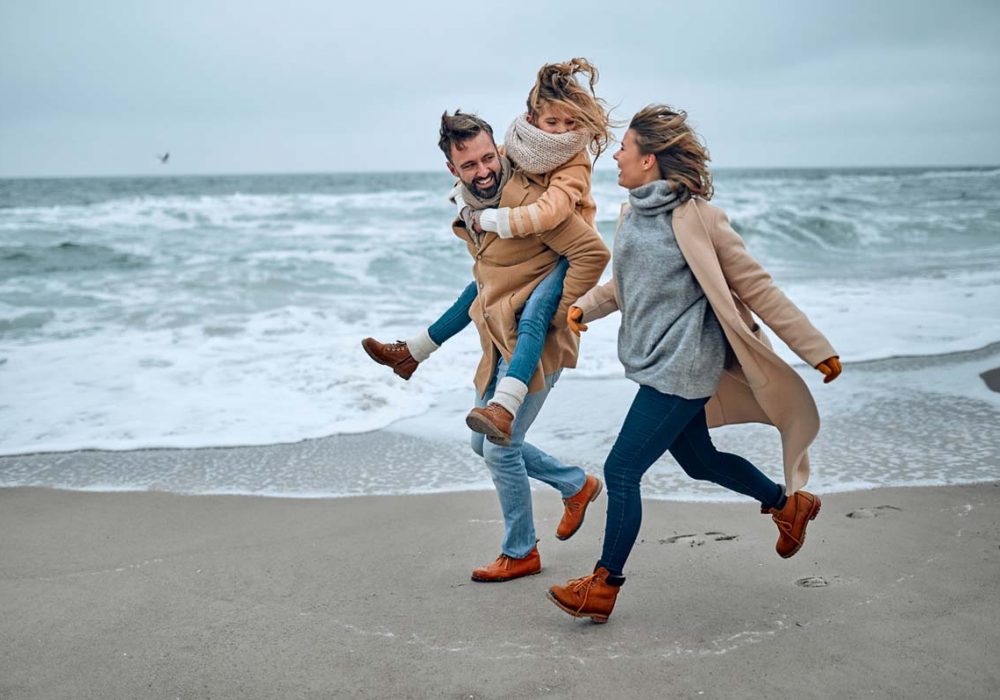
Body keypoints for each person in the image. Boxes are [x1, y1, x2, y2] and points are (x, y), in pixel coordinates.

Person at [547, 105, 843, 623]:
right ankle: (787, 505)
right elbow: (630, 283)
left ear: (650, 159)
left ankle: (603, 585)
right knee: (699, 461)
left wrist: (814, 347)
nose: (615, 155)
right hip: (653, 358)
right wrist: (585, 306)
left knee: (621, 470)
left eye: (624, 148)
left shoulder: (699, 218)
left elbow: (755, 284)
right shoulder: (633, 213)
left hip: (686, 364)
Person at [368, 110, 611, 582]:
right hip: (499, 341)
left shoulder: (529, 203)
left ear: (498, 149)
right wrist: (424, 343)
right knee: (482, 443)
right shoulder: (472, 208)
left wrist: (556, 316)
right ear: (452, 170)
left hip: (535, 345)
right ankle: (575, 484)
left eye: (488, 158)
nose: (483, 172)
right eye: (469, 165)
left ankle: (521, 552)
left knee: (501, 448)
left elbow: (593, 253)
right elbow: (484, 283)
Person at [362, 58, 613, 446]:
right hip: (532, 242)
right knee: (477, 288)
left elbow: (554, 212)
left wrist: (492, 219)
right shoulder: (517, 146)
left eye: (570, 123)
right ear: (532, 119)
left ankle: (505, 406)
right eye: (553, 122)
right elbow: (486, 174)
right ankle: (413, 351)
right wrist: (466, 207)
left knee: (535, 315)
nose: (562, 131)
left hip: (563, 252)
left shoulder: (573, 158)